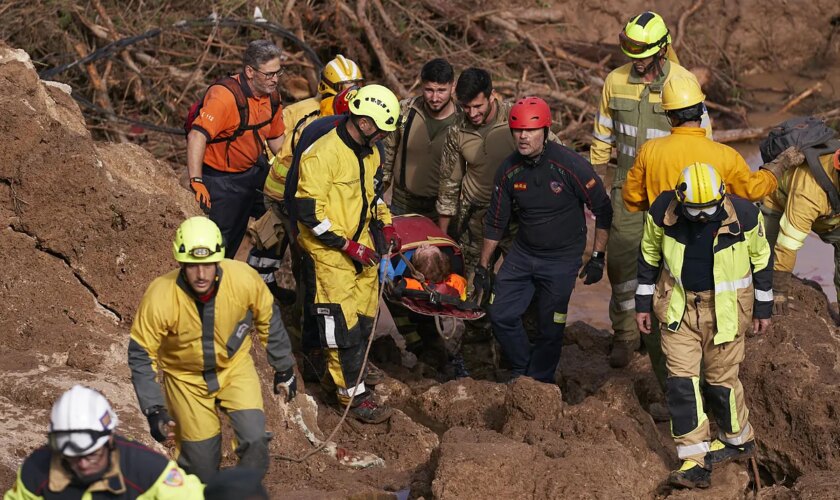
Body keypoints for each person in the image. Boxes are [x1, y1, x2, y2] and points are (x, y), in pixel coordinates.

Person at [620, 72, 800, 414]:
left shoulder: (650, 151)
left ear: (669, 115)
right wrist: (776, 168)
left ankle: (674, 397)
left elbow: (631, 200)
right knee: (716, 329)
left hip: (665, 254)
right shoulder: (724, 155)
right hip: (715, 253)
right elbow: (752, 193)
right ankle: (716, 404)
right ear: (701, 111)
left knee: (668, 327)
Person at [128, 216, 297, 482]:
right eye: (194, 266)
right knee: (201, 468)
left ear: (219, 259)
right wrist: (153, 408)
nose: (202, 274)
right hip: (186, 380)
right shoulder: (160, 296)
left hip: (234, 368)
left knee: (255, 442)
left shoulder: (243, 280)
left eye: (208, 264)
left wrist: (283, 366)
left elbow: (268, 318)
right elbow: (141, 353)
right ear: (181, 262)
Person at [635, 163, 771, 489]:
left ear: (722, 195)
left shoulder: (745, 216)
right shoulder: (662, 212)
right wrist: (641, 304)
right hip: (678, 309)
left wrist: (763, 308)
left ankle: (738, 438)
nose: (702, 216)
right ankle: (694, 460)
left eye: (709, 209)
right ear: (681, 200)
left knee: (721, 381)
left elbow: (762, 258)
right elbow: (649, 255)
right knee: (681, 383)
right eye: (694, 210)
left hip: (724, 311)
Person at [590, 11, 713, 370]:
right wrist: (594, 189)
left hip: (673, 195)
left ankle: (668, 337)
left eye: (642, 52)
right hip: (627, 189)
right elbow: (601, 138)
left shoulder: (684, 82)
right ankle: (626, 336)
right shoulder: (615, 81)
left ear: (662, 49)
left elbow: (704, 141)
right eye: (630, 50)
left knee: (671, 266)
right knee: (621, 264)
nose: (635, 60)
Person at [480, 97, 612, 382]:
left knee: (551, 326)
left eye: (530, 130)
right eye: (517, 130)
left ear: (545, 130)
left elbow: (603, 210)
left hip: (562, 258)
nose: (523, 136)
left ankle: (540, 382)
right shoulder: (508, 170)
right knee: (500, 313)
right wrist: (482, 266)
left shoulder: (571, 165)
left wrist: (597, 258)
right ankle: (522, 368)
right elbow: (495, 222)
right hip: (524, 253)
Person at [295, 84, 401, 424]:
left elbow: (373, 196)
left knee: (365, 317)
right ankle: (351, 396)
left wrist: (385, 225)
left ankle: (341, 375)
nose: (383, 137)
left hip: (362, 247)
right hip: (330, 252)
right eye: (382, 130)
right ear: (366, 124)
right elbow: (310, 214)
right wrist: (347, 246)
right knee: (341, 325)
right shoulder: (322, 155)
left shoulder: (371, 154)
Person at [4, 385, 204, 499]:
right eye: (73, 456)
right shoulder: (36, 470)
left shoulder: (148, 470)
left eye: (92, 454)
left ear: (109, 438)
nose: (82, 463)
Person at [186, 40, 287, 258]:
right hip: (221, 180)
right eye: (269, 74)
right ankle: (214, 283)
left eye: (278, 72)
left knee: (289, 210)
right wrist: (196, 180)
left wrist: (297, 169)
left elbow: (277, 141)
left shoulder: (272, 98)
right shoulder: (225, 97)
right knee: (222, 241)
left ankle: (262, 272)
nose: (275, 79)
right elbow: (197, 135)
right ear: (250, 71)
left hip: (252, 171)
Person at [437, 68, 521, 296]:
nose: (472, 113)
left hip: (516, 218)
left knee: (520, 283)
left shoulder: (516, 118)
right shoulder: (457, 130)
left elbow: (552, 155)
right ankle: (476, 331)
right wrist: (443, 239)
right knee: (473, 286)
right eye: (465, 107)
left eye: (478, 106)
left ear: (492, 95)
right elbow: (449, 184)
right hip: (476, 220)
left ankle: (514, 330)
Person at [759, 117, 840, 316]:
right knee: (763, 253)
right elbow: (787, 244)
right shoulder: (809, 193)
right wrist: (779, 290)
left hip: (831, 214)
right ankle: (759, 294)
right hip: (779, 198)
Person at [382, 58, 461, 219]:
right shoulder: (405, 110)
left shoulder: (463, 121)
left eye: (441, 90)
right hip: (403, 204)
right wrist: (377, 196)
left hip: (443, 209)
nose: (434, 97)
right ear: (421, 85)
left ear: (453, 87)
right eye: (429, 90)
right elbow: (386, 155)